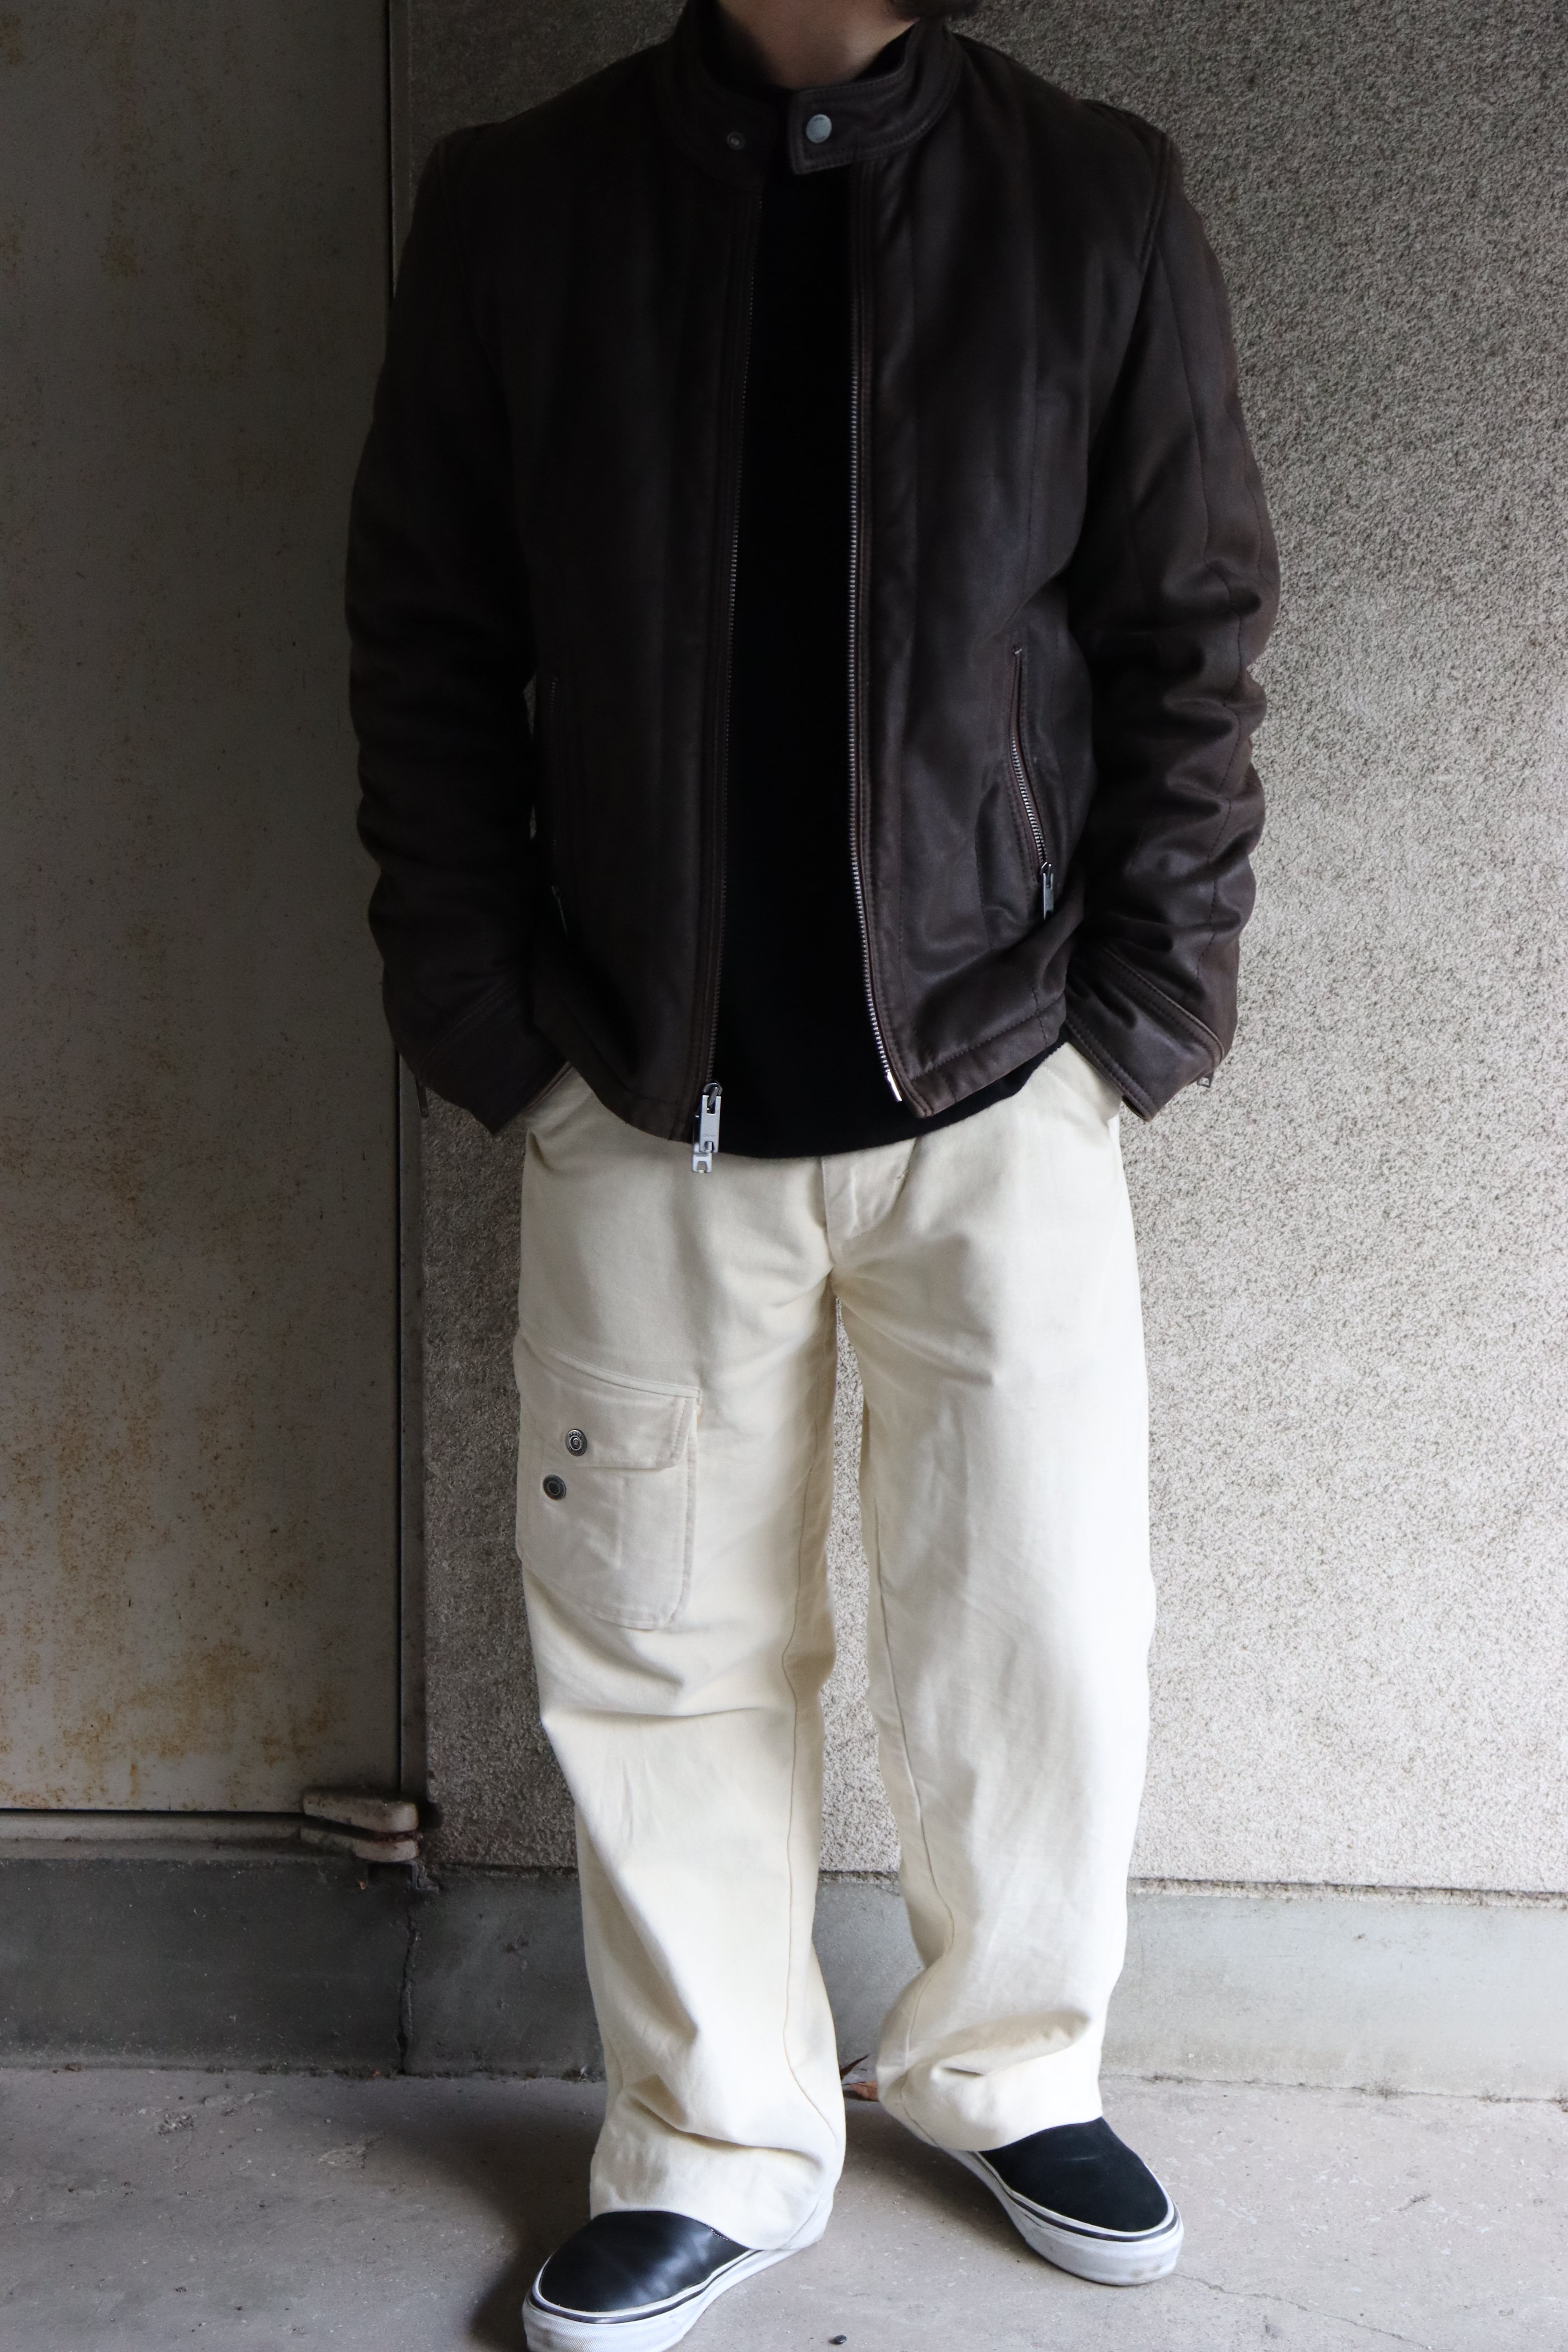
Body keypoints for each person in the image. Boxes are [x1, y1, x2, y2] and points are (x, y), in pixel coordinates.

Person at [348, 0, 1277, 2341]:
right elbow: (429, 645)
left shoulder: (1092, 201)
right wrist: (495, 1035)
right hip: (636, 1097)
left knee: (1038, 1629)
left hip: (1004, 1090)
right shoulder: (519, 208)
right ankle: (711, 2137)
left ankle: (1009, 2068)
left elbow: (1187, 640)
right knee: (657, 1648)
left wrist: (1135, 1027)